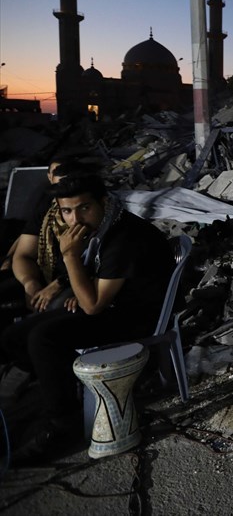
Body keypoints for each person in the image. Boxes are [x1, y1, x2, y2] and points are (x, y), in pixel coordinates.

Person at [0, 174, 175, 461]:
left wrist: (70, 257)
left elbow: (93, 306)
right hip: (111, 303)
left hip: (135, 316)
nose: (75, 218)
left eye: (84, 208)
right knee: (14, 336)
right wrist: (82, 286)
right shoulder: (101, 228)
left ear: (103, 203)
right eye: (66, 211)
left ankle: (62, 424)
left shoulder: (124, 236)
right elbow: (94, 282)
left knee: (44, 339)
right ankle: (58, 388)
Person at [1, 156, 87, 327]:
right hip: (42, 274)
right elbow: (24, 254)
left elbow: (93, 262)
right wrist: (30, 283)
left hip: (73, 281)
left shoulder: (84, 214)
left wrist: (58, 284)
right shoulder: (49, 206)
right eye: (59, 186)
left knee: (46, 318)